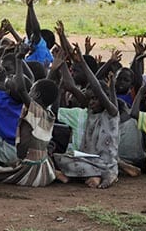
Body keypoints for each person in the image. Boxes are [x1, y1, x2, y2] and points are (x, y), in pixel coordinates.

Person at [0, 44, 58, 187]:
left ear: (36, 95)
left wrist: (19, 60)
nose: (28, 92)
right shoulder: (49, 114)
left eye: (31, 90)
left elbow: (20, 88)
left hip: (29, 169)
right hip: (44, 167)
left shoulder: (34, 110)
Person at [54, 45, 120, 189]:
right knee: (60, 158)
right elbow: (71, 86)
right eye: (90, 99)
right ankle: (94, 176)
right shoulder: (90, 110)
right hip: (87, 160)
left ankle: (104, 176)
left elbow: (97, 87)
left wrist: (83, 62)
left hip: (105, 163)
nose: (92, 102)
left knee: (104, 168)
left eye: (96, 99)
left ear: (105, 98)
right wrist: (62, 64)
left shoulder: (111, 114)